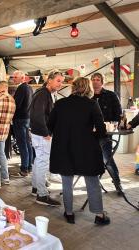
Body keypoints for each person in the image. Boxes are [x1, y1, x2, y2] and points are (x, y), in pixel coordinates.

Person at [48, 77, 110, 225]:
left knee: (67, 182)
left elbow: (50, 125)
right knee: (92, 180)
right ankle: (99, 215)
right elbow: (101, 130)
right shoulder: (92, 104)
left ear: (73, 87)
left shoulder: (60, 104)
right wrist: (92, 134)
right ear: (88, 88)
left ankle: (69, 213)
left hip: (64, 148)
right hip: (86, 148)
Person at [29, 69, 63, 206]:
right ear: (49, 80)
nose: (60, 84)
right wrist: (46, 133)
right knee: (43, 162)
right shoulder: (43, 94)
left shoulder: (45, 93)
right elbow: (37, 115)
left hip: (39, 133)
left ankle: (36, 187)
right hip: (42, 134)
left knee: (39, 161)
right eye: (58, 81)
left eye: (61, 81)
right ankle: (42, 195)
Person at [91, 72, 123, 194]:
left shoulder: (111, 95)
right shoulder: (88, 96)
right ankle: (94, 183)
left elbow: (118, 113)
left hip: (105, 133)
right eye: (93, 79)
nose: (95, 81)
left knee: (107, 158)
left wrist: (114, 125)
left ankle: (117, 183)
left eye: (98, 79)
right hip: (90, 134)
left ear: (102, 82)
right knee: (91, 158)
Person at [11, 70, 33, 177]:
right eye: (13, 77)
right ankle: (29, 166)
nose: (13, 79)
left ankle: (24, 169)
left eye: (15, 77)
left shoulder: (21, 88)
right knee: (27, 143)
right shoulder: (29, 87)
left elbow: (16, 105)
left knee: (22, 144)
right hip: (27, 118)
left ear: (22, 78)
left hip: (20, 119)